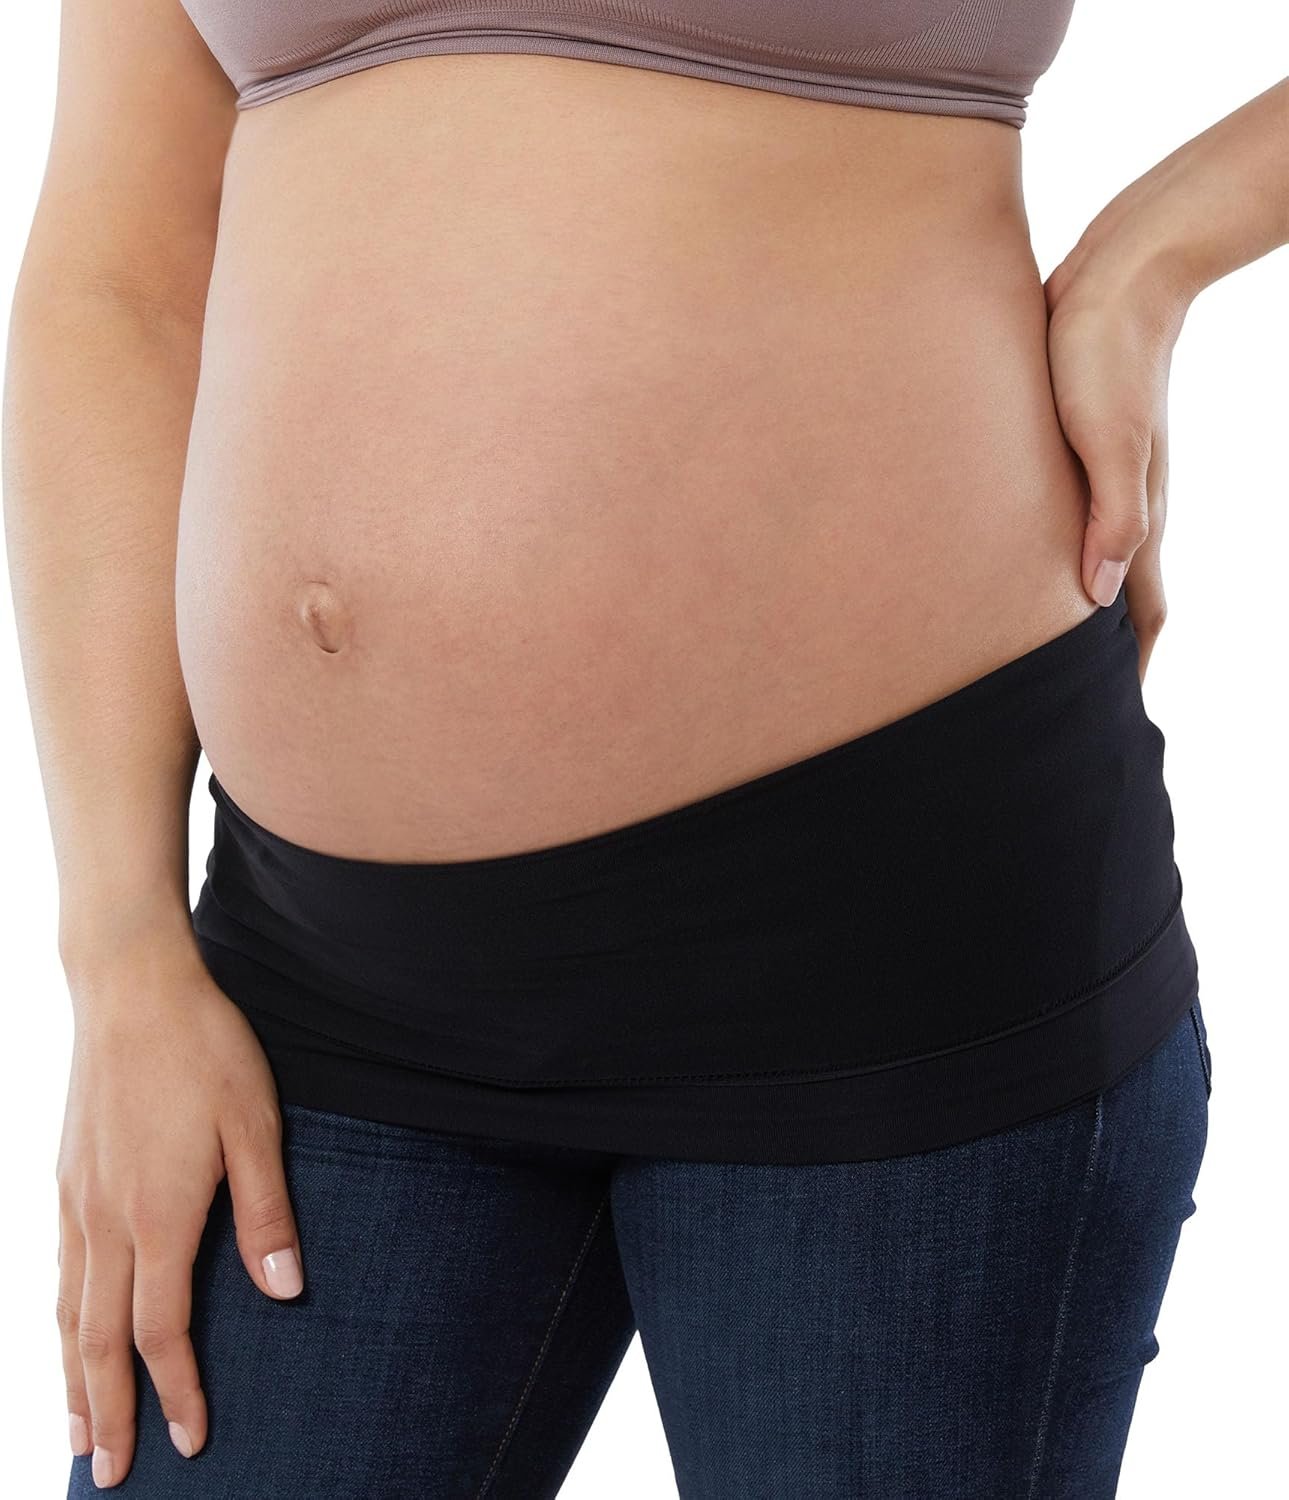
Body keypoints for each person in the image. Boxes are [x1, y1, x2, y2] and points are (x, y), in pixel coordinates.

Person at [3, 0, 1281, 1493]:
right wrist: (122, 951)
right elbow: (121, 275)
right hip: (316, 994)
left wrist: (1152, 256)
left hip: (896, 961)